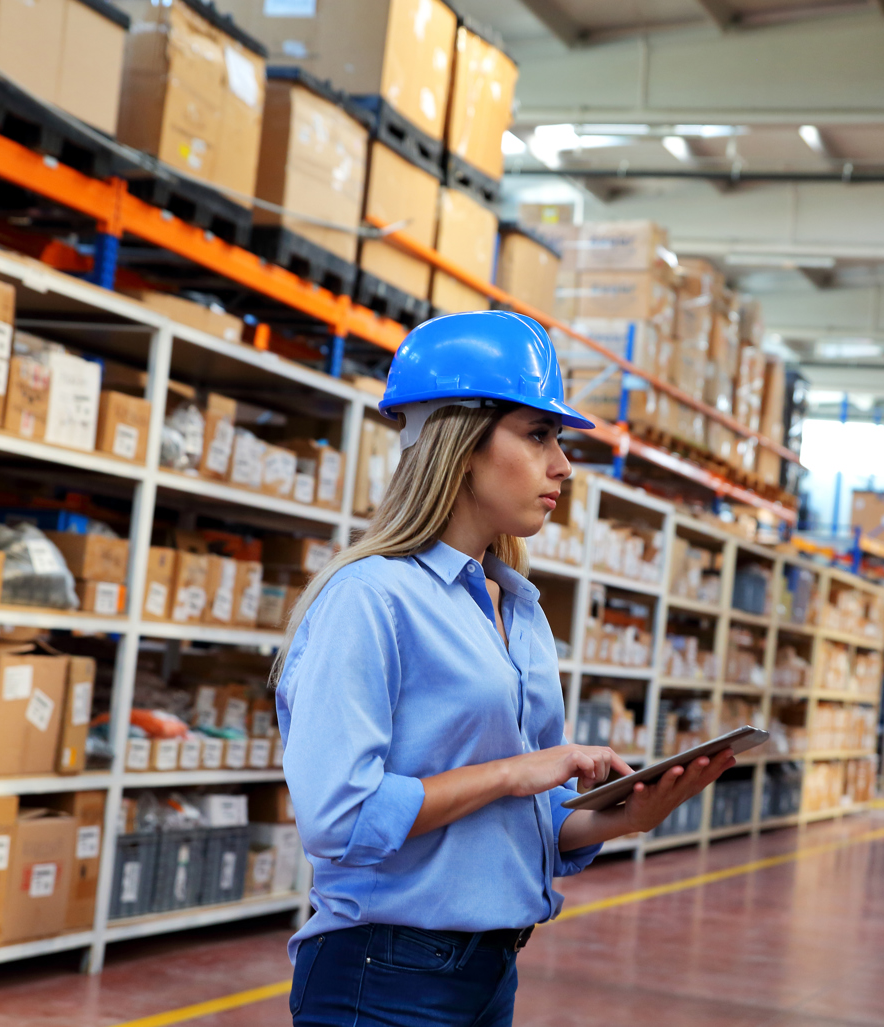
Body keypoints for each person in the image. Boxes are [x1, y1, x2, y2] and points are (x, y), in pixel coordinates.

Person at [275, 311, 734, 1025]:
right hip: (384, 975)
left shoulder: (517, 608)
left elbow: (518, 825)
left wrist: (626, 816)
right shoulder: (370, 598)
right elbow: (338, 816)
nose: (564, 465)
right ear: (460, 442)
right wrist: (518, 770)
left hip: (491, 970)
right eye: (538, 434)